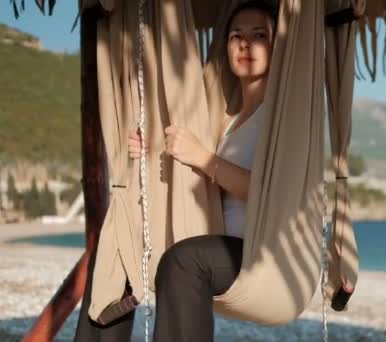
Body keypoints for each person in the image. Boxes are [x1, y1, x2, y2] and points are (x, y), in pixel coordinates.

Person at [73, 1, 277, 341]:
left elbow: (273, 194)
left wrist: (204, 158)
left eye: (259, 35)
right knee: (116, 250)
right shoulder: (222, 118)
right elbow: (192, 173)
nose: (245, 43)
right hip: (208, 234)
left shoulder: (280, 118)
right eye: (236, 35)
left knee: (185, 261)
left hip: (260, 250)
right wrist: (148, 151)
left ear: (277, 45)